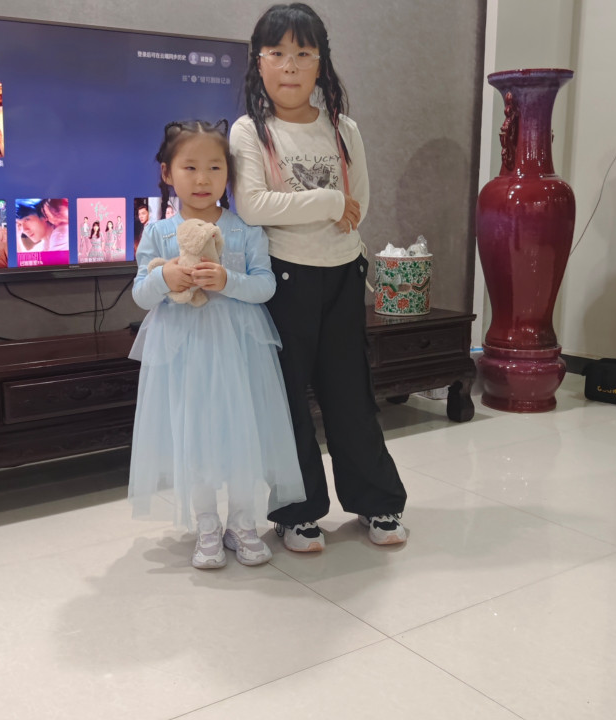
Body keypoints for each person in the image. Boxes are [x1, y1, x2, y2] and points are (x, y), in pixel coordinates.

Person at [230, 3, 407, 552]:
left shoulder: (343, 128)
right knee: (286, 401)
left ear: (321, 63)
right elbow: (254, 205)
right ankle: (296, 511)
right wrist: (328, 201)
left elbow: (362, 203)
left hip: (344, 275)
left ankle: (377, 502)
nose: (290, 65)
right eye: (277, 52)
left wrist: (325, 206)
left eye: (303, 53)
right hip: (284, 280)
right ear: (259, 62)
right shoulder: (250, 130)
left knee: (351, 394)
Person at [128, 119, 305, 569]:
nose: (202, 179)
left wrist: (228, 280)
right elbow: (141, 294)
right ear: (167, 172)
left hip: (238, 350)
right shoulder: (158, 233)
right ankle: (206, 524)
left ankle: (242, 523)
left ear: (229, 173)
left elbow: (265, 286)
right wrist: (165, 277)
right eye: (189, 167)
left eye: (215, 167)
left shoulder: (245, 229)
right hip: (184, 352)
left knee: (242, 432)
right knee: (195, 435)